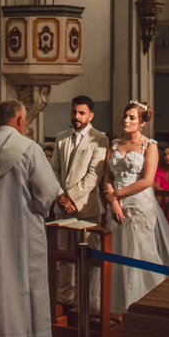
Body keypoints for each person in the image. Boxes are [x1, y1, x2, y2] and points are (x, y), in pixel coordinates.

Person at [0, 100, 62, 337]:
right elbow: (47, 189)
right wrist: (36, 208)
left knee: (2, 283)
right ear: (20, 120)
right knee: (32, 282)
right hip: (25, 226)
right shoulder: (29, 148)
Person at [102, 101, 169, 314]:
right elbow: (107, 177)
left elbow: (148, 180)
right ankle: (117, 305)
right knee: (118, 252)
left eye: (132, 117)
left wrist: (117, 194)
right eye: (126, 116)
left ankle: (147, 303)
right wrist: (113, 202)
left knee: (140, 252)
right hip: (116, 207)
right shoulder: (114, 144)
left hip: (139, 204)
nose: (126, 120)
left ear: (141, 122)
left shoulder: (149, 145)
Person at [49, 95, 108, 306]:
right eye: (74, 112)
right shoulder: (61, 137)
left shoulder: (100, 138)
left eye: (81, 113)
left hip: (86, 209)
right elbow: (53, 169)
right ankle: (66, 301)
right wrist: (59, 196)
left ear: (90, 115)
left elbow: (94, 176)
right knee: (64, 259)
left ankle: (88, 303)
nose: (76, 116)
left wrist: (69, 197)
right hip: (62, 208)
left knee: (88, 258)